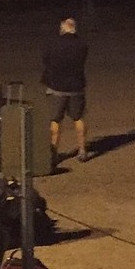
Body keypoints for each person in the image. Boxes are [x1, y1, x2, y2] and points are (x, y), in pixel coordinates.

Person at [42, 17, 90, 163]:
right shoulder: (82, 45)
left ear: (62, 29)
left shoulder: (53, 44)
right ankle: (82, 150)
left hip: (57, 87)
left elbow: (45, 60)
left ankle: (54, 152)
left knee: (55, 120)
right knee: (78, 117)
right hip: (76, 86)